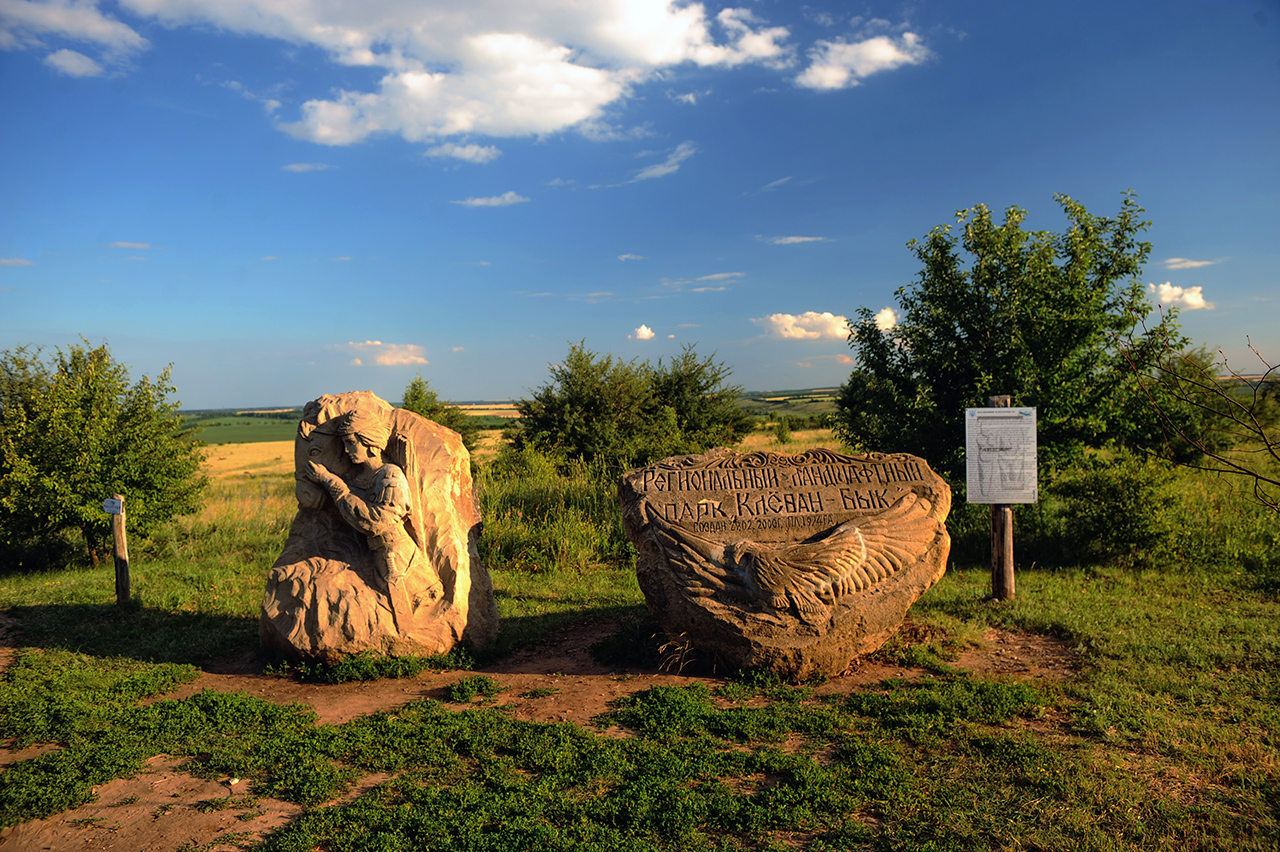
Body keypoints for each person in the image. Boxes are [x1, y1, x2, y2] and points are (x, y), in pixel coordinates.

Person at [303, 408, 443, 627]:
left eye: (351, 442)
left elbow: (376, 522)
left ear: (368, 440)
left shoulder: (390, 475)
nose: (347, 450)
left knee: (408, 624)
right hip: (377, 558)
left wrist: (332, 483)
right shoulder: (359, 480)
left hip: (400, 560)